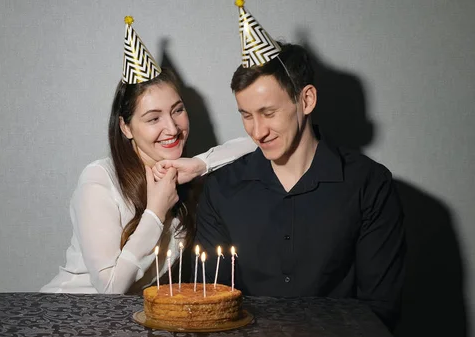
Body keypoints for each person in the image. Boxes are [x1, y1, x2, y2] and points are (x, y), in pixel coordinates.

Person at [192, 3, 405, 330]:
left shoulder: (369, 185)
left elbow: (379, 310)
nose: (257, 131)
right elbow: (212, 307)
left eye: (268, 112)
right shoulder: (221, 191)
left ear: (306, 100)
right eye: (246, 116)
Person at [40, 17, 256, 294]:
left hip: (131, 321)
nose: (172, 128)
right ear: (126, 127)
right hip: (69, 314)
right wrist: (155, 212)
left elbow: (259, 142)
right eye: (153, 118)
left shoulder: (184, 177)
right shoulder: (99, 179)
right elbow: (109, 290)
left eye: (177, 110)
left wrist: (200, 164)